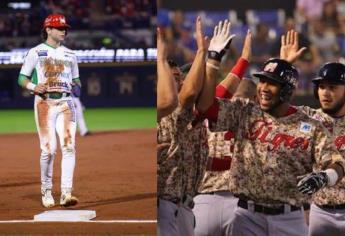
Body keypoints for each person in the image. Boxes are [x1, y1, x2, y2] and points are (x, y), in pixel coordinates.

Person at [196, 33, 345, 235]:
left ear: (287, 90)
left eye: (272, 83)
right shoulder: (245, 112)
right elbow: (206, 106)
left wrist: (323, 177)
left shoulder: (309, 124)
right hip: (246, 216)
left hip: (290, 218)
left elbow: (336, 162)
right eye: (262, 81)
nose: (264, 88)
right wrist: (213, 60)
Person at [193, 30, 252, 236]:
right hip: (228, 197)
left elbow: (220, 92)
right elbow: (222, 91)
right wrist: (243, 61)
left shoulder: (212, 108)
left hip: (209, 197)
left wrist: (216, 59)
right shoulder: (250, 112)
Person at [18, 13, 80, 208]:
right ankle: (46, 189)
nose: (64, 31)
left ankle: (66, 193)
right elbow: (22, 78)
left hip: (66, 104)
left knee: (69, 147)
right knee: (48, 150)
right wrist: (33, 87)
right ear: (48, 30)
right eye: (60, 28)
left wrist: (77, 86)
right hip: (44, 104)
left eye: (65, 28)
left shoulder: (71, 54)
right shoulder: (35, 52)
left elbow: (77, 81)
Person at [157, 16, 209, 236]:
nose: (177, 81)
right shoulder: (167, 107)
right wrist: (203, 54)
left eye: (179, 77)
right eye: (172, 77)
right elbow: (178, 98)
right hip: (165, 204)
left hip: (186, 205)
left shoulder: (190, 108)